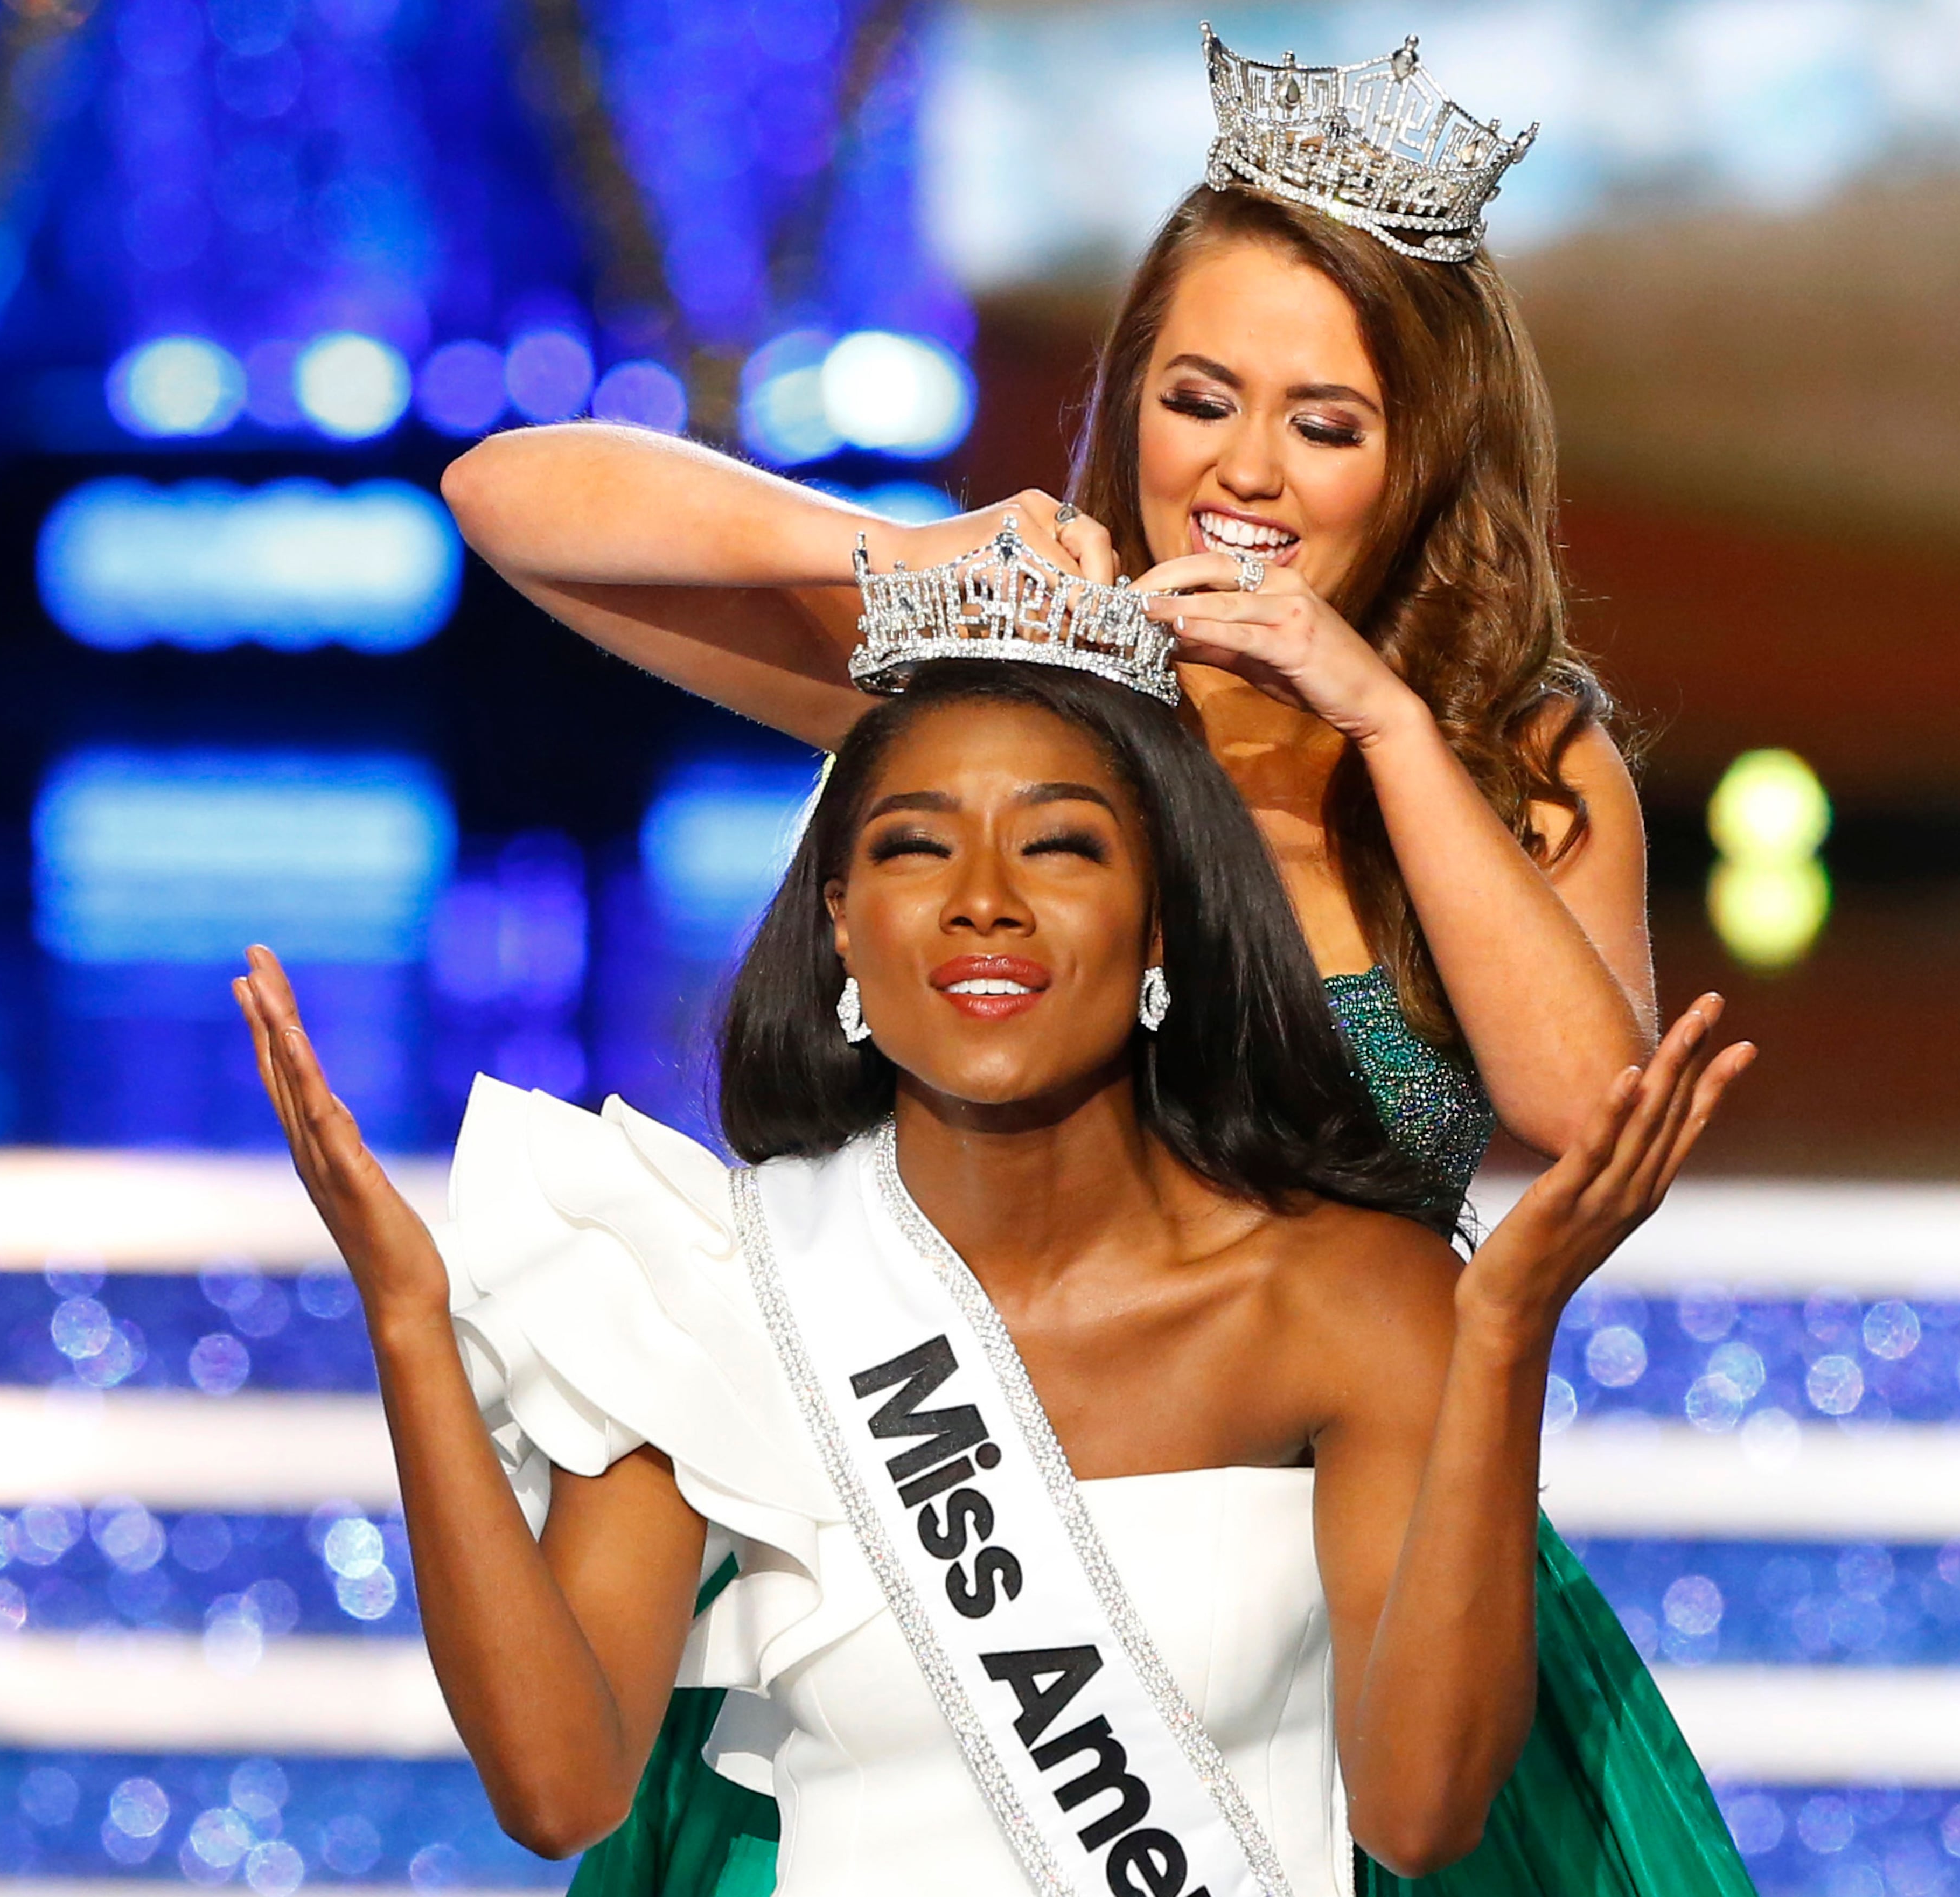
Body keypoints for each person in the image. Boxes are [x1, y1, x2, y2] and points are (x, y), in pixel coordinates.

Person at [436, 25, 1724, 1896]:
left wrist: (1378, 720)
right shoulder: (1010, 691)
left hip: (1359, 1615)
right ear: (1131, 403)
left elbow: (1596, 1117)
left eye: (1327, 423)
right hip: (944, 1574)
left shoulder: (1512, 757)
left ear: (1423, 454)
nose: (1245, 470)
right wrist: (905, 557)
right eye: (1200, 399)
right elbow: (511, 500)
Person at [234, 655, 1752, 1896]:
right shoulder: (710, 1276)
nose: (983, 898)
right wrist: (408, 1324)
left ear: (1161, 925)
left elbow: (1422, 1815)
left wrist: (1505, 1335)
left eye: (1060, 844)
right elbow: (560, 1788)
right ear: (840, 921)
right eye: (914, 846)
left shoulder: (1346, 1295)